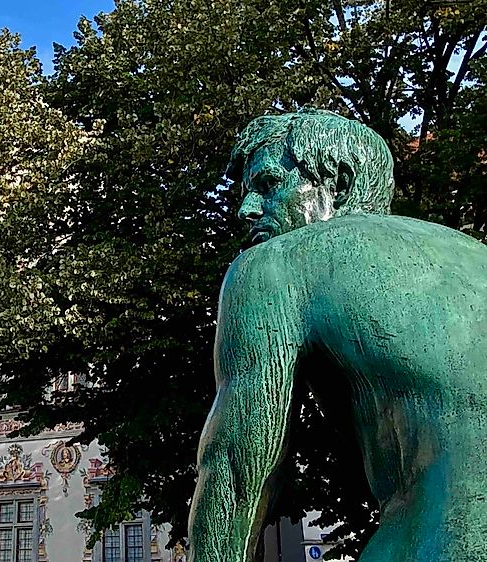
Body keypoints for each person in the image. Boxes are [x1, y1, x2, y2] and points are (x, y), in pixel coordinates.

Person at [189, 108, 487, 562]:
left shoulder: (275, 265)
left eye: (269, 185)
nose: (245, 209)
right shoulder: (475, 259)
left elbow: (234, 464)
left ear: (341, 185)